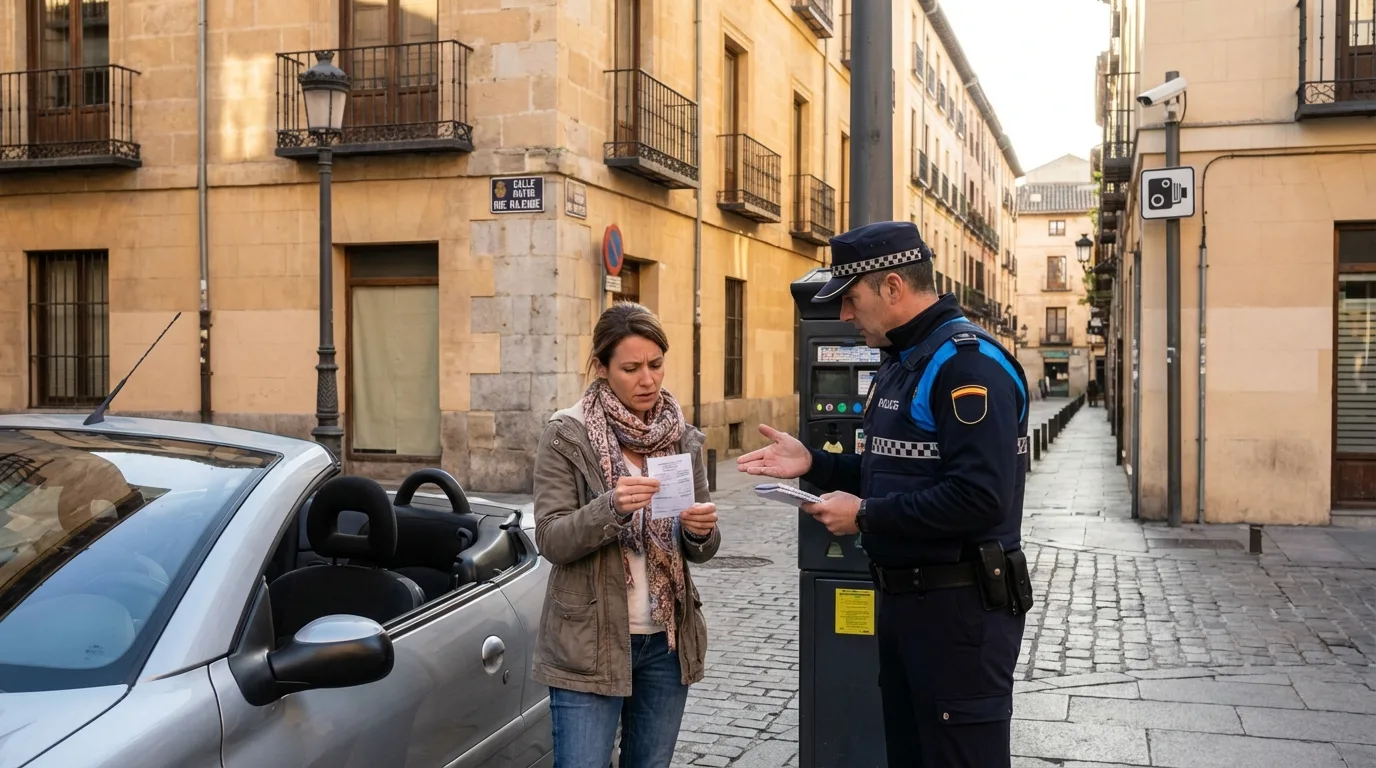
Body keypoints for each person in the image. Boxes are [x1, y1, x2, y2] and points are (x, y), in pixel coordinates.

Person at [737, 221, 1033, 767]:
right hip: (908, 609)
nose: (845, 315)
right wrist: (817, 463)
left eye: (851, 299)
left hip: (959, 614)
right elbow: (896, 469)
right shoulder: (903, 361)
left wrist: (867, 517)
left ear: (892, 287)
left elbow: (979, 497)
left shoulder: (967, 365)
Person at [531, 301, 721, 768]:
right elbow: (551, 538)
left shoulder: (679, 435)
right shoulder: (566, 434)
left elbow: (702, 547)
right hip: (588, 641)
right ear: (601, 366)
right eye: (631, 368)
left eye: (656, 365)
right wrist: (609, 508)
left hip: (666, 641)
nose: (648, 380)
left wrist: (700, 533)